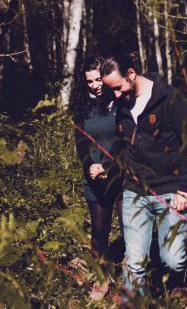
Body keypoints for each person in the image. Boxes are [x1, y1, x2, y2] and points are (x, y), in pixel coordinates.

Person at [100, 51, 187, 298]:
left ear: (131, 73)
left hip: (170, 189)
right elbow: (122, 142)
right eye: (112, 90)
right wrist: (107, 165)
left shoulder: (169, 98)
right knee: (134, 262)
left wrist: (185, 188)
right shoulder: (122, 103)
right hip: (135, 191)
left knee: (172, 260)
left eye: (118, 87)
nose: (116, 95)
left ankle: (182, 281)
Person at [73, 56, 124, 297]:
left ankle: (135, 279)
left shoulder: (119, 101)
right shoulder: (82, 107)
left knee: (130, 230)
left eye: (98, 79)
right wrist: (90, 167)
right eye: (90, 81)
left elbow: (124, 140)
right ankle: (102, 279)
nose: (95, 85)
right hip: (94, 177)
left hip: (120, 176)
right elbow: (81, 143)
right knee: (99, 233)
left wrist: (108, 166)